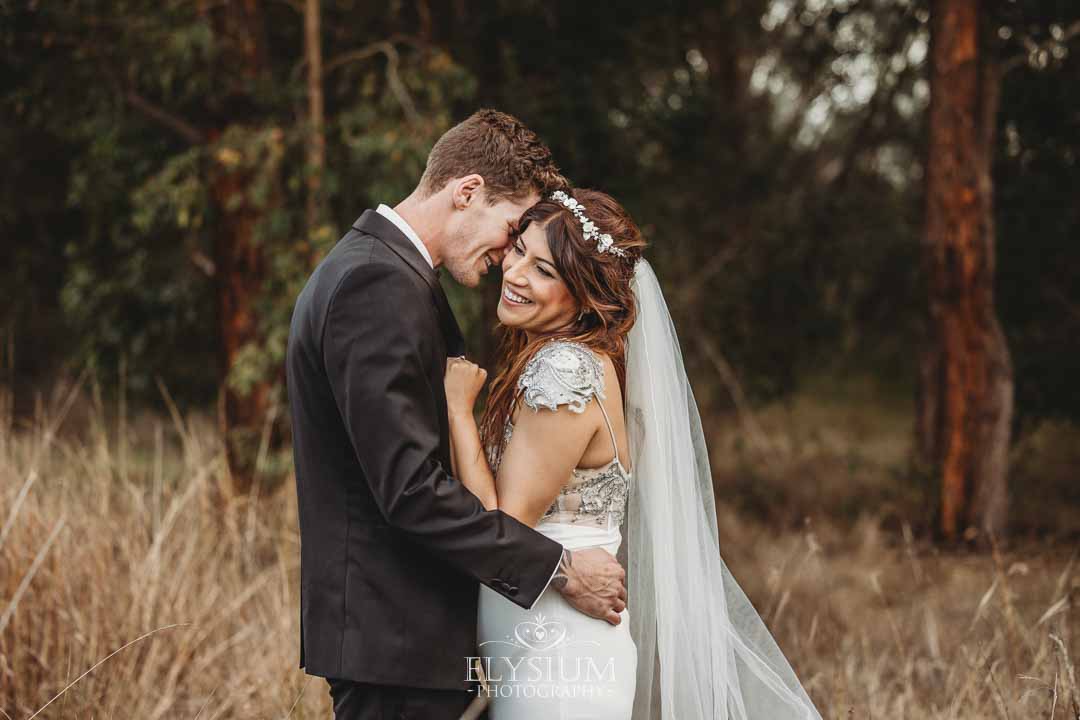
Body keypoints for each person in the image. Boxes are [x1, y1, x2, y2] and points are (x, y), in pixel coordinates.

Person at [285, 110, 627, 720]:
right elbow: (410, 489)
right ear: (467, 191)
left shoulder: (386, 272)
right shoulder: (376, 283)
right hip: (396, 640)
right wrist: (561, 570)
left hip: (411, 645)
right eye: (511, 232)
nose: (506, 257)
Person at [445, 188, 824, 718]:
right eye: (519, 250)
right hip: (544, 643)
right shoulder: (576, 360)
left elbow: (502, 527)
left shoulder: (565, 371)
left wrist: (457, 411)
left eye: (544, 270)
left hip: (560, 656)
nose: (514, 273)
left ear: (585, 296)